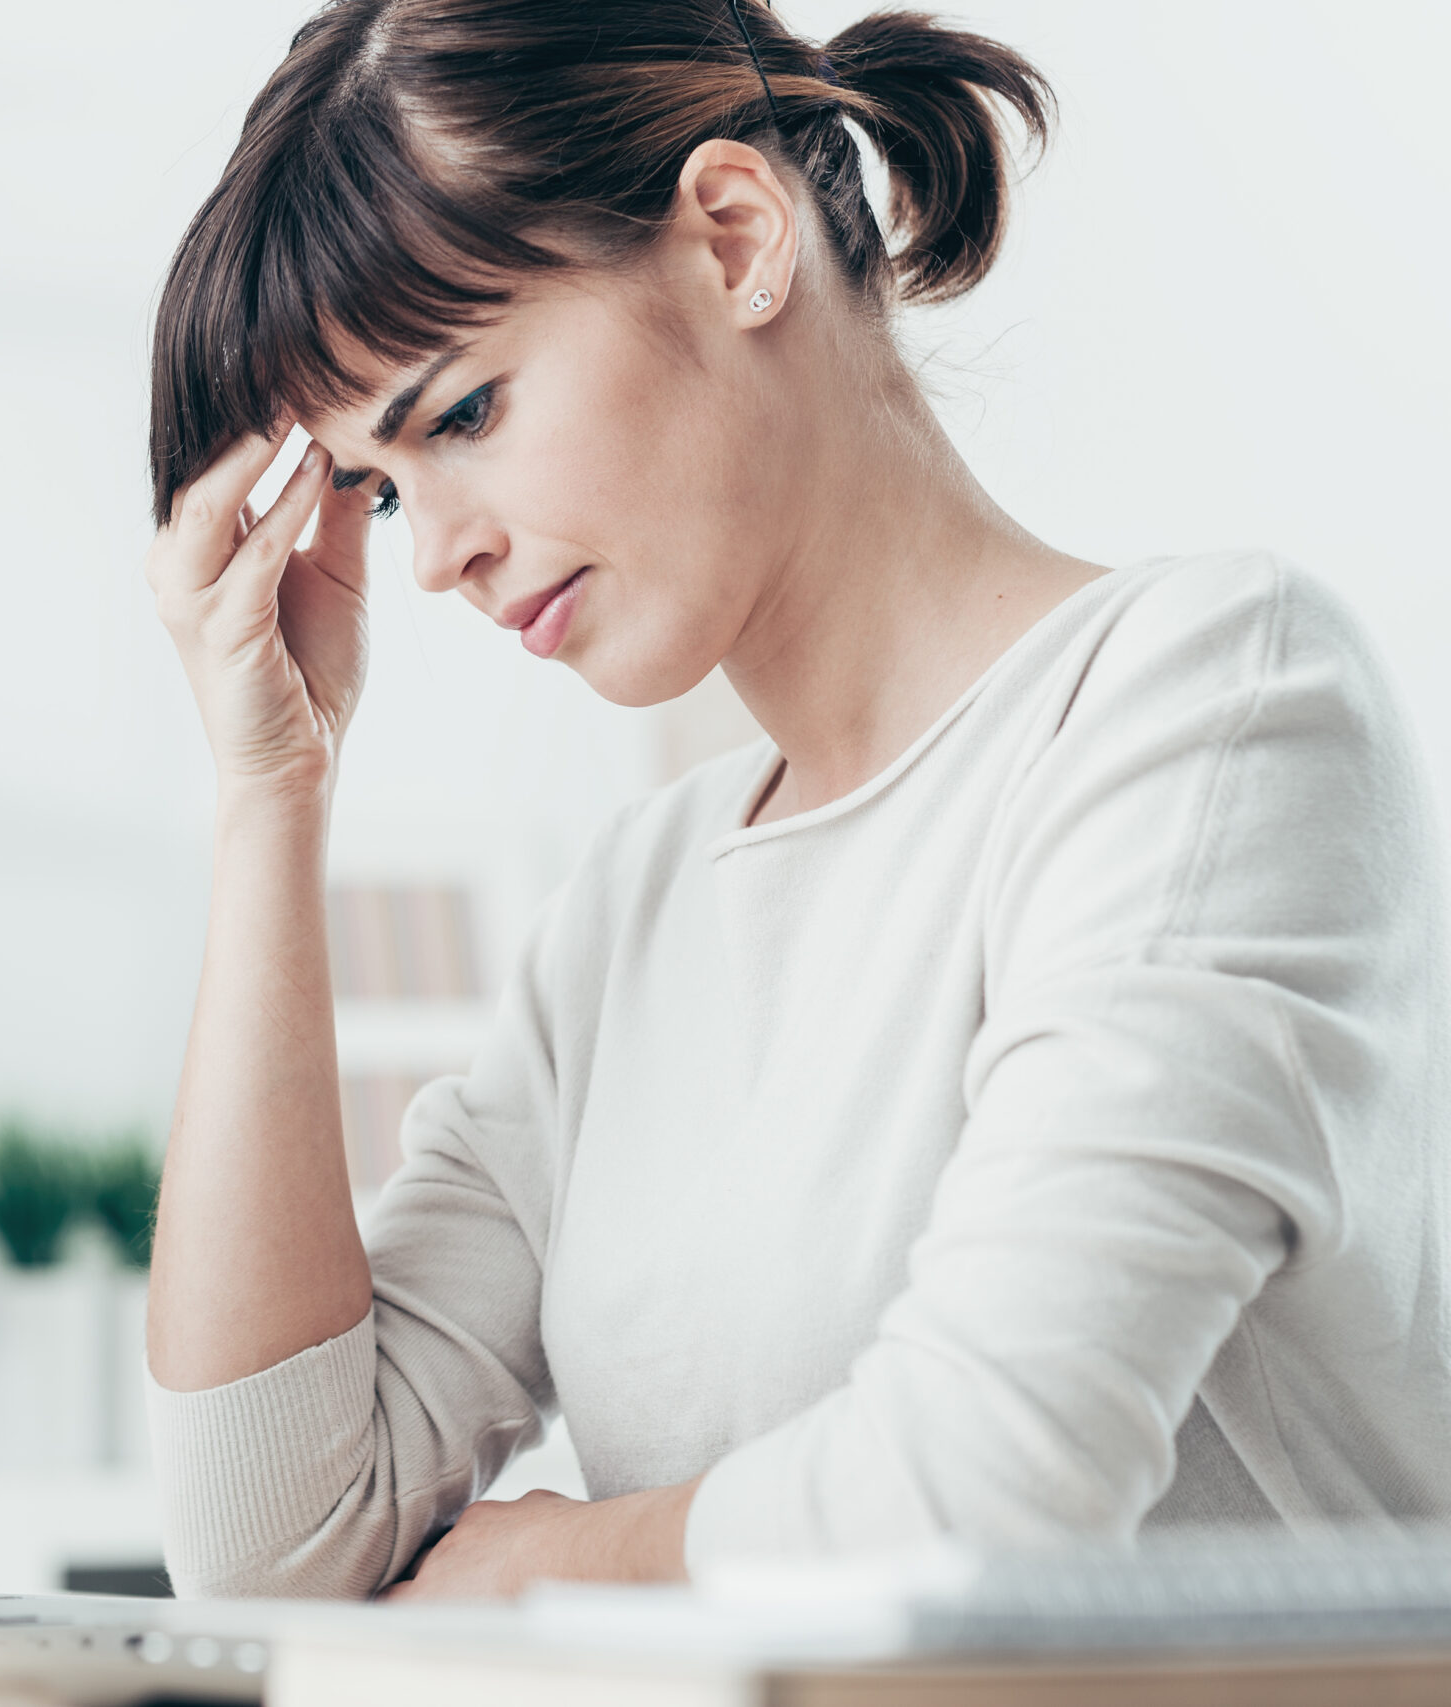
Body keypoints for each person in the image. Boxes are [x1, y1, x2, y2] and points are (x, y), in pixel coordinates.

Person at [138, 0, 1451, 1600]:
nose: (432, 556)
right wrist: (275, 790)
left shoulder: (1210, 706)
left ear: (736, 238)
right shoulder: (634, 913)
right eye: (384, 487)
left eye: (466, 411)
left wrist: (549, 1569)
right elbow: (265, 1547)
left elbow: (989, 1486)